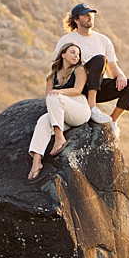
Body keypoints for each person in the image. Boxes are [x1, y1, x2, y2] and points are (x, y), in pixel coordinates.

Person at [53, 3, 129, 129]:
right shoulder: (67, 40)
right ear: (76, 20)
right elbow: (56, 66)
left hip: (96, 85)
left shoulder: (103, 40)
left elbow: (112, 67)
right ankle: (92, 107)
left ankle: (112, 122)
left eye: (91, 14)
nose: (90, 17)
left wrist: (120, 75)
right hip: (75, 86)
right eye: (85, 15)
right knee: (99, 59)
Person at [27, 43, 90, 180]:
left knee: (55, 97)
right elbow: (48, 99)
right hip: (62, 114)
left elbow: (77, 90)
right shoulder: (52, 77)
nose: (76, 56)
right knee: (43, 120)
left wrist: (59, 92)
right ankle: (37, 161)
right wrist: (56, 95)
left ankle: (59, 137)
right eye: (73, 52)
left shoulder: (79, 69)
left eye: (78, 54)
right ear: (63, 54)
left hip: (79, 109)